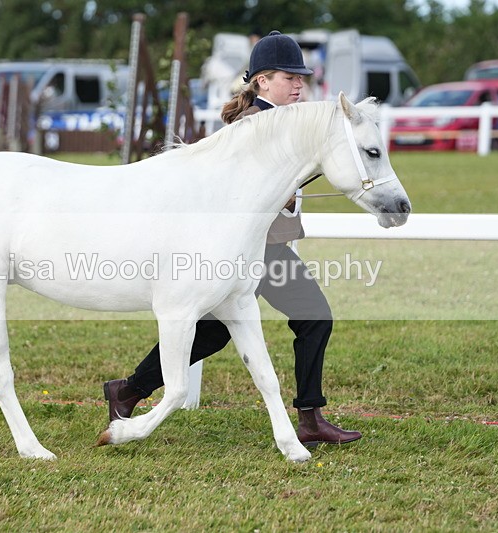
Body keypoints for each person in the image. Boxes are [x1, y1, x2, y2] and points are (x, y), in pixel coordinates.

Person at [103, 30, 361, 448]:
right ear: (262, 81)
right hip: (243, 252)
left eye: (301, 77)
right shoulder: (248, 127)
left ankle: (128, 391)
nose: (299, 84)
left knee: (278, 323)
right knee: (248, 327)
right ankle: (130, 391)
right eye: (288, 77)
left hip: (265, 248)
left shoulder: (289, 125)